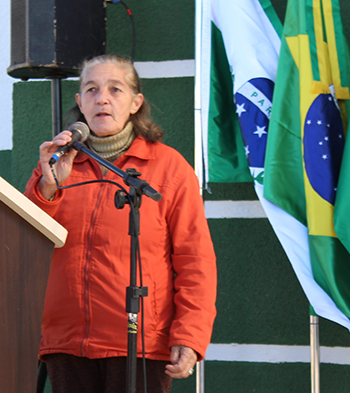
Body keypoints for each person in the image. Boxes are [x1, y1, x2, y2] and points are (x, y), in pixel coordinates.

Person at [24, 54, 217, 393]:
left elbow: (195, 260)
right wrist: (48, 187)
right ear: (80, 102)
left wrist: (190, 334)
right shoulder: (56, 164)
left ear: (135, 102)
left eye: (115, 89)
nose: (102, 98)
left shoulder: (169, 167)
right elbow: (25, 243)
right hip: (67, 342)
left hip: (141, 342)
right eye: (91, 89)